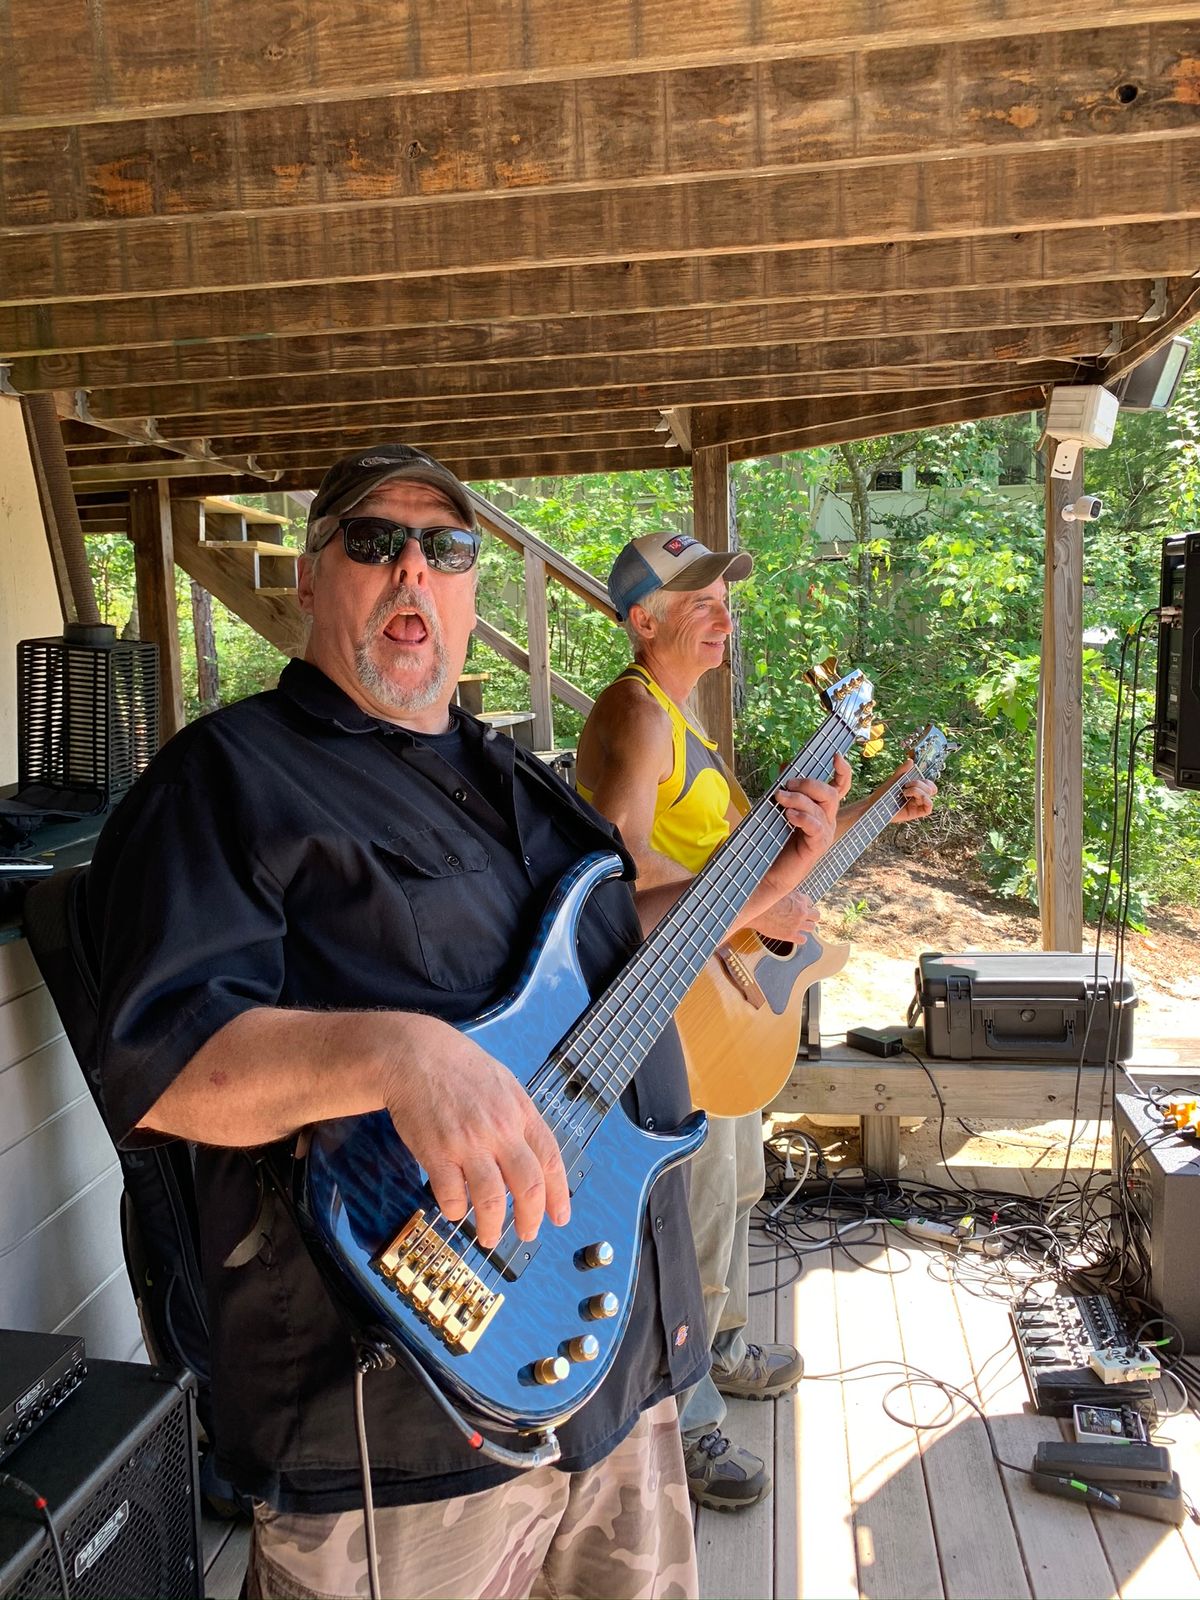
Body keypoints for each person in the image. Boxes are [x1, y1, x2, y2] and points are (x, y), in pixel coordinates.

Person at [85, 446, 848, 1600]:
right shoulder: (225, 781)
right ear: (310, 576)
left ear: (470, 586)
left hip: (612, 1355)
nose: (413, 570)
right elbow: (166, 1066)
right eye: (374, 541)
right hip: (399, 1419)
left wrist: (745, 892)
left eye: (445, 548)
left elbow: (603, 945)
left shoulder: (511, 774)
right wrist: (396, 1054)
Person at [576, 531, 936, 1513]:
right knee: (692, 1205)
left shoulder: (687, 724)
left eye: (723, 596)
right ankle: (684, 1415)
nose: (722, 614)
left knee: (734, 1183)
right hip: (669, 1004)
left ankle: (721, 1344)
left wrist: (863, 810)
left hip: (718, 991)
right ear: (642, 620)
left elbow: (752, 874)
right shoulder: (635, 712)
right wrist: (749, 903)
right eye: (698, 599)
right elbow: (612, 869)